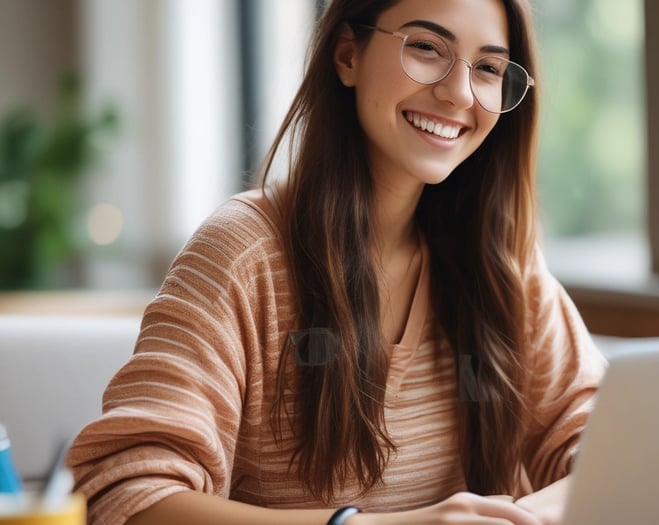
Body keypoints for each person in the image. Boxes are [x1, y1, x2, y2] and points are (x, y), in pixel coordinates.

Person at [68, 0, 607, 524]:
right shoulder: (242, 254)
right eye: (425, 47)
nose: (458, 93)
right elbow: (127, 495)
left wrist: (512, 518)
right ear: (348, 55)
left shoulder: (500, 263)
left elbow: (614, 449)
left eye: (488, 68)